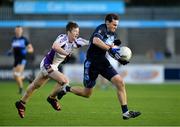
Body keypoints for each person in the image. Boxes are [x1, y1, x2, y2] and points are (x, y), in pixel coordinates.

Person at [57, 13, 141, 120]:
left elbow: (110, 50)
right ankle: (66, 88)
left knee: (120, 82)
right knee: (87, 93)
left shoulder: (113, 35)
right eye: (114, 24)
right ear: (107, 23)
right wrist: (110, 49)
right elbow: (95, 41)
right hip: (91, 63)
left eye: (117, 25)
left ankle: (125, 112)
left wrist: (119, 58)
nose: (116, 27)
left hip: (102, 62)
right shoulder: (101, 29)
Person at [15, 22, 89, 118]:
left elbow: (90, 42)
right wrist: (66, 53)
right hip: (47, 64)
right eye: (75, 31)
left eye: (78, 31)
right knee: (64, 80)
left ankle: (21, 103)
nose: (77, 33)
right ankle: (52, 98)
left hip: (53, 66)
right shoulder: (63, 38)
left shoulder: (76, 42)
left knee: (35, 85)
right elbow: (55, 46)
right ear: (69, 32)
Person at [8, 26, 34, 95]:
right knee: (15, 76)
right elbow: (12, 47)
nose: (18, 31)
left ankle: (21, 90)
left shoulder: (24, 39)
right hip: (16, 59)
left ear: (21, 31)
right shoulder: (13, 39)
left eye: (19, 30)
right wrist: (10, 51)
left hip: (22, 59)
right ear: (15, 31)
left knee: (17, 75)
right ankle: (27, 77)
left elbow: (31, 49)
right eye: (17, 30)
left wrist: (25, 50)